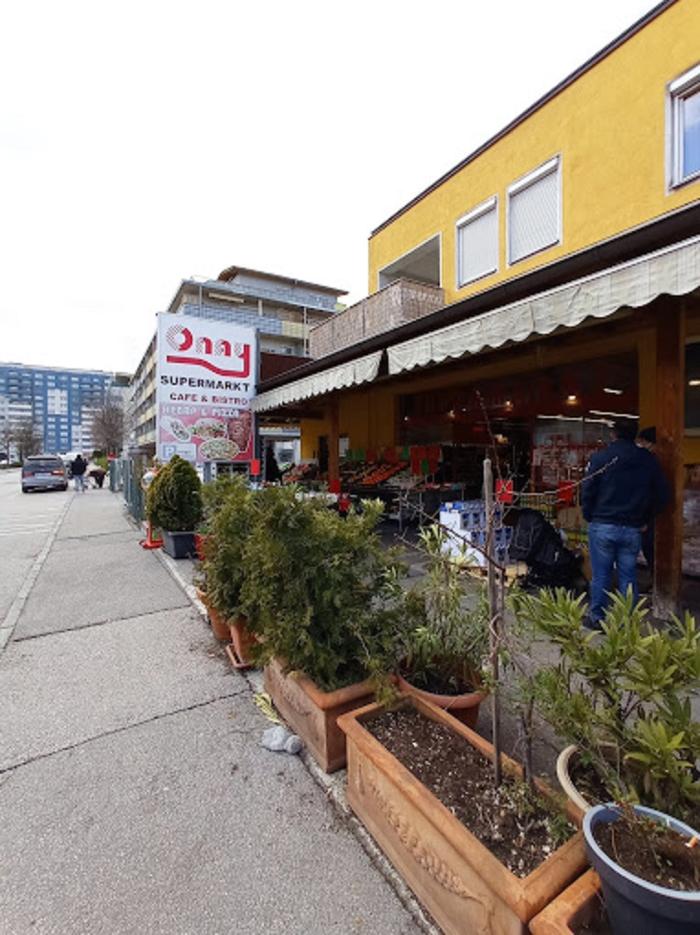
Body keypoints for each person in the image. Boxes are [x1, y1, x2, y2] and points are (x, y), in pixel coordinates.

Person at [581, 420, 669, 627]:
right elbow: (663, 495)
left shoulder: (601, 458)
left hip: (602, 524)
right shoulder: (649, 461)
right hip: (632, 528)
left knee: (601, 574)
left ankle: (597, 618)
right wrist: (646, 518)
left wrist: (589, 516)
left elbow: (587, 491)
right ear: (634, 435)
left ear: (613, 434)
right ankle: (628, 621)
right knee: (628, 575)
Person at [636, 427, 657, 574]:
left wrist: (644, 519)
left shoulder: (651, 462)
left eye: (642, 441)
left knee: (650, 547)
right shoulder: (650, 460)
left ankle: (656, 579)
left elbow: (648, 492)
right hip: (651, 513)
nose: (640, 445)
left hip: (651, 515)